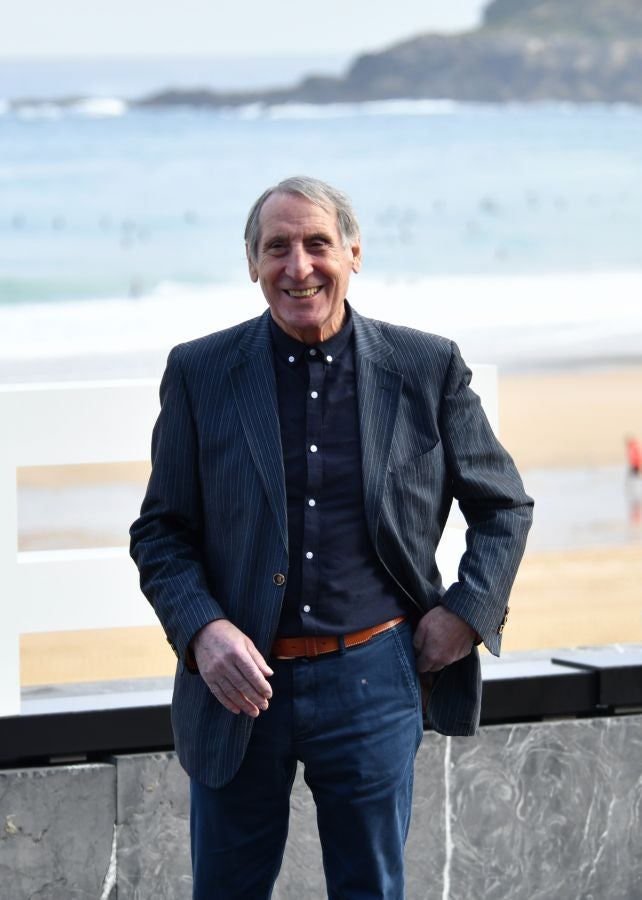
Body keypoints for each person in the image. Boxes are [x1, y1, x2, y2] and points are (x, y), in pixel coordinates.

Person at [129, 176, 533, 899]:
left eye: (317, 244)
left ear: (353, 252)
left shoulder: (425, 366)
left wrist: (467, 614)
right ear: (251, 263)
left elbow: (502, 506)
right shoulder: (200, 373)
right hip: (237, 687)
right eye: (276, 248)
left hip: (375, 678)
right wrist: (203, 631)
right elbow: (161, 533)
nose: (299, 266)